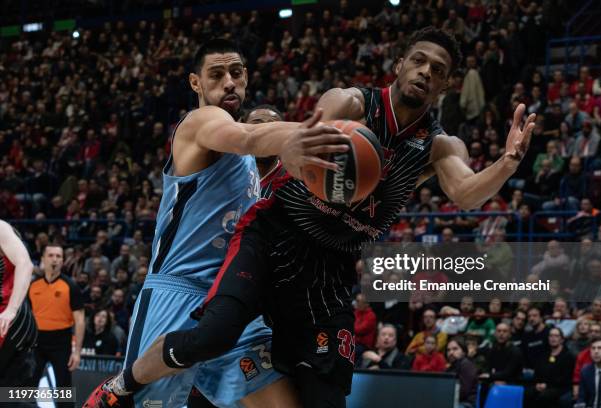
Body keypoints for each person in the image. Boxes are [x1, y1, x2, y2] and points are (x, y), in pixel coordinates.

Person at [89, 27, 535, 408]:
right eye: (419, 61)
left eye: (438, 70)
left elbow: (465, 191)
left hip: (325, 271)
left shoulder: (437, 145)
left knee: (313, 393)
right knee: (202, 347)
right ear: (399, 64)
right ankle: (119, 386)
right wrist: (301, 141)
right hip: (216, 271)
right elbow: (256, 135)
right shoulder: (212, 121)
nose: (425, 72)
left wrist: (507, 164)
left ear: (447, 85)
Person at [86, 38, 346, 408]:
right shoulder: (201, 122)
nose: (228, 82)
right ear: (195, 83)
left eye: (236, 73)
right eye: (217, 74)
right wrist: (319, 133)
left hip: (229, 301)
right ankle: (118, 387)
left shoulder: (253, 170)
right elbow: (249, 136)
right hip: (177, 294)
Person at [29, 244, 84, 408]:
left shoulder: (70, 286)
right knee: (28, 386)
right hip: (36, 341)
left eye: (58, 256)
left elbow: (80, 320)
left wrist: (77, 352)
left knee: (64, 389)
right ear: (43, 259)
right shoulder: (33, 286)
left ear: (63, 261)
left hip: (61, 341)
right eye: (51, 255)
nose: (54, 259)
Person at [0, 220, 37, 387]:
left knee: (10, 397)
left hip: (11, 321)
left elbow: (25, 264)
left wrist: (11, 310)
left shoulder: (1, 228)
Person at [524, 327, 574, 408]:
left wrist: (547, 385)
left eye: (556, 336)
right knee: (527, 392)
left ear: (562, 339)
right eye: (551, 336)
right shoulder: (543, 354)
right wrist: (537, 385)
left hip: (559, 387)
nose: (553, 338)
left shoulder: (568, 356)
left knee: (544, 396)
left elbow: (565, 378)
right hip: (542, 385)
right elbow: (537, 372)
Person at [576, 338, 601, 408]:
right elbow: (581, 397)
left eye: (600, 348)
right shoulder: (585, 371)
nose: (596, 351)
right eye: (593, 348)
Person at [446, 338, 478, 408]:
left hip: (465, 404)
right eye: (448, 350)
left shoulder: (467, 365)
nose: (451, 352)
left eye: (455, 349)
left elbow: (463, 392)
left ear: (463, 352)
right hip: (451, 402)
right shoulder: (449, 368)